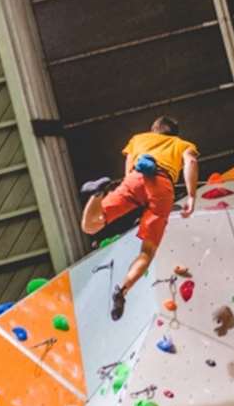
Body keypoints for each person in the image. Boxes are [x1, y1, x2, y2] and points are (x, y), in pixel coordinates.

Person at [80, 115, 198, 320]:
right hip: (163, 187)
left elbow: (128, 167)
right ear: (175, 134)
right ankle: (122, 290)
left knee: (91, 225)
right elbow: (191, 162)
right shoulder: (182, 144)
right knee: (147, 251)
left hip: (135, 178)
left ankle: (97, 194)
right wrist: (192, 195)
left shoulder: (138, 139)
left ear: (153, 130)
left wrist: (129, 190)